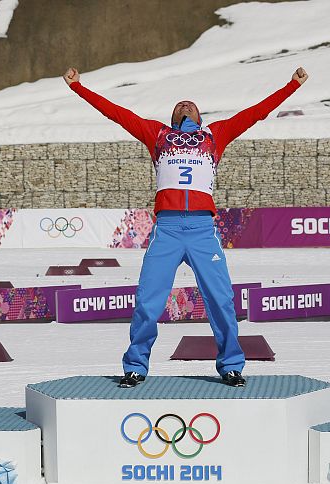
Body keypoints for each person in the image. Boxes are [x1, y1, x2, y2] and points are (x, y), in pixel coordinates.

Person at [63, 66, 308, 387]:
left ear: (200, 117)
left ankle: (231, 365)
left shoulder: (215, 135)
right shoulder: (157, 134)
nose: (185, 104)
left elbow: (255, 113)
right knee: (148, 302)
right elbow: (118, 114)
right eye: (180, 105)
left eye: (190, 105)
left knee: (221, 300)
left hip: (202, 230)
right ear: (172, 117)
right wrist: (78, 87)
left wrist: (292, 85)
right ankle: (135, 366)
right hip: (166, 230)